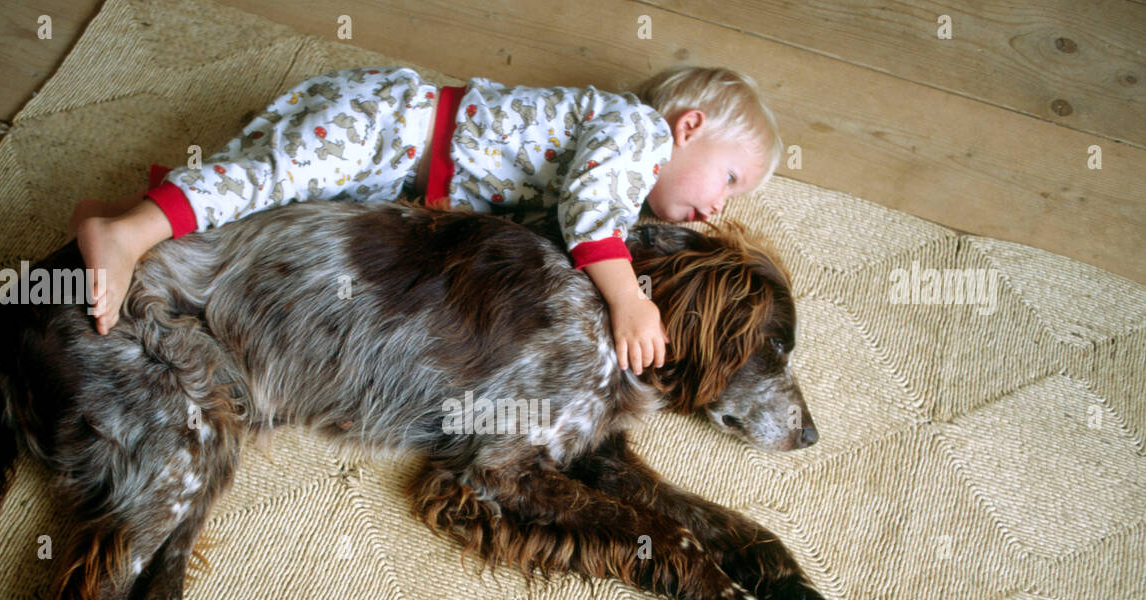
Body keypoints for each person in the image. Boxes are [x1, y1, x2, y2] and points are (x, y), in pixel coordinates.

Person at [70, 65, 781, 374]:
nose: (720, 207)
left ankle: (124, 215)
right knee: (272, 175)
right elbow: (589, 218)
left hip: (403, 180)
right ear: (687, 127)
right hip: (397, 127)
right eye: (729, 178)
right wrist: (627, 299)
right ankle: (127, 234)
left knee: (275, 214)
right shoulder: (638, 134)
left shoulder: (632, 185)